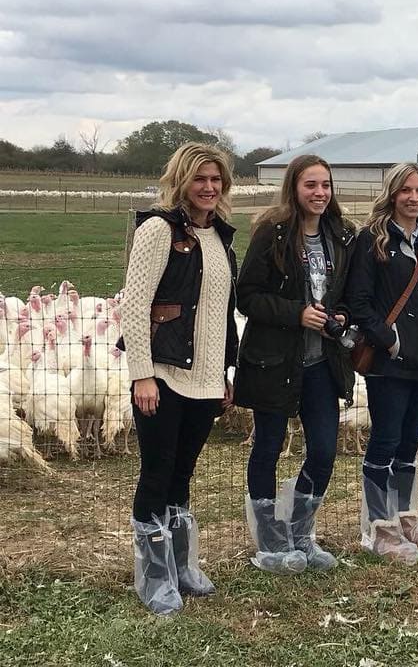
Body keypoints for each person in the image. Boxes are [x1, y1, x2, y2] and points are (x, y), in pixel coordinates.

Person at [120, 142, 239, 614]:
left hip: (206, 380)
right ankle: (154, 577)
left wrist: (223, 372)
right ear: (181, 181)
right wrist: (142, 375)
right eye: (199, 178)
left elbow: (219, 313)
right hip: (165, 376)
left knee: (183, 473)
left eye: (216, 179)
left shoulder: (220, 237)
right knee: (157, 471)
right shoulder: (158, 229)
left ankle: (181, 564)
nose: (208, 187)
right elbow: (135, 306)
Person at [233, 154, 356, 574]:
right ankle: (270, 541)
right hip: (275, 360)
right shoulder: (273, 232)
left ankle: (301, 533)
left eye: (325, 185)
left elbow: (346, 295)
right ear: (294, 188)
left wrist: (341, 316)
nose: (320, 193)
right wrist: (296, 313)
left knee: (323, 450)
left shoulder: (341, 235)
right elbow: (247, 295)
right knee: (268, 447)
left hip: (322, 362)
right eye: (311, 185)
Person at [346, 162, 418, 565]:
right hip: (389, 362)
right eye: (406, 190)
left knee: (410, 440)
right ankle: (380, 527)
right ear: (392, 194)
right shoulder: (371, 241)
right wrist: (390, 341)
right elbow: (359, 302)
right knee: (385, 440)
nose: (414, 198)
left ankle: (408, 519)